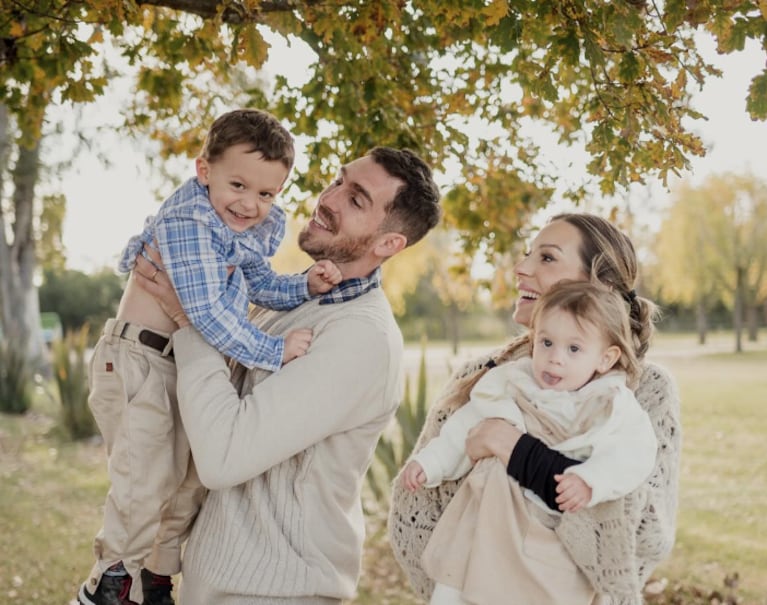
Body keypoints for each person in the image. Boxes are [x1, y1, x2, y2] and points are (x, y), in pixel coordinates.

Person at [132, 146, 442, 605]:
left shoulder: (360, 337)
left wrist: (189, 317)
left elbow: (223, 456)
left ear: (388, 244)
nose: (329, 198)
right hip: (219, 581)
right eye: (339, 180)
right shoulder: (299, 299)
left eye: (356, 200)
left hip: (274, 591)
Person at [78, 109, 342, 605]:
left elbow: (256, 283)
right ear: (205, 172)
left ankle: (155, 576)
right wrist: (272, 350)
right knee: (147, 477)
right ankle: (111, 580)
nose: (250, 204)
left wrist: (302, 284)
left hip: (180, 363)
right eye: (238, 185)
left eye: (266, 194)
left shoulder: (232, 224)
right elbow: (205, 311)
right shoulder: (190, 221)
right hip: (140, 360)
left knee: (189, 480)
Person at [389, 213, 682, 604]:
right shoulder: (487, 375)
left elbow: (642, 532)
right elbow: (421, 509)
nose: (521, 268)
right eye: (527, 254)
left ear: (597, 285)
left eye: (546, 258)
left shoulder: (641, 391)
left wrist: (511, 447)